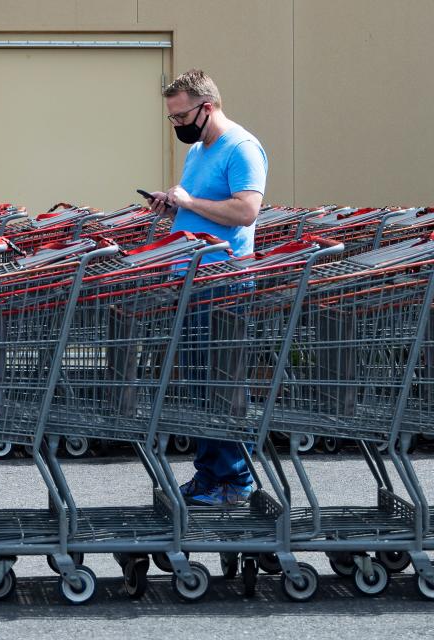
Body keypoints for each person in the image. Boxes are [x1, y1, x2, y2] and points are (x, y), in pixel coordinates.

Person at [146, 69, 268, 507]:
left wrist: (190, 201)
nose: (177, 125)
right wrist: (170, 207)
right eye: (172, 119)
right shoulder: (199, 150)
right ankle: (209, 474)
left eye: (181, 117)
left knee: (224, 385)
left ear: (207, 107)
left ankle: (236, 480)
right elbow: (201, 210)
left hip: (225, 281)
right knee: (200, 385)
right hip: (191, 277)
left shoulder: (242, 148)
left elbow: (246, 210)